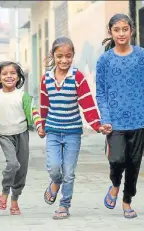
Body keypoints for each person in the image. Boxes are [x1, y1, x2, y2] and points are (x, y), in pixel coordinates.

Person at [96, 13, 144, 219]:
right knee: (118, 159)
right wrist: (105, 118)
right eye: (117, 30)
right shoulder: (104, 60)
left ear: (132, 31)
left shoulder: (143, 56)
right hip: (114, 120)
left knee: (134, 164)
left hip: (139, 118)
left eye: (125, 29)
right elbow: (100, 92)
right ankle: (114, 184)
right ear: (110, 32)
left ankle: (127, 200)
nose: (121, 33)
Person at [40, 37, 102, 219]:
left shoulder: (78, 77)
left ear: (73, 56)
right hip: (52, 130)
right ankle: (54, 182)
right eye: (59, 56)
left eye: (68, 56)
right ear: (53, 55)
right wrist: (42, 126)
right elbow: (44, 105)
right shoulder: (47, 79)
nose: (64, 60)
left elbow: (87, 104)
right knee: (54, 167)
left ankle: (64, 205)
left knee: (69, 172)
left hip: (73, 132)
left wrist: (97, 125)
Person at [0, 61, 45, 215]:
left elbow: (34, 112)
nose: (9, 76)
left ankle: (15, 201)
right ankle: (5, 192)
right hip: (5, 135)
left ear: (19, 77)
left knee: (22, 169)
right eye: (4, 74)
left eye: (13, 73)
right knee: (13, 164)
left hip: (22, 134)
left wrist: (39, 127)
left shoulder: (23, 96)